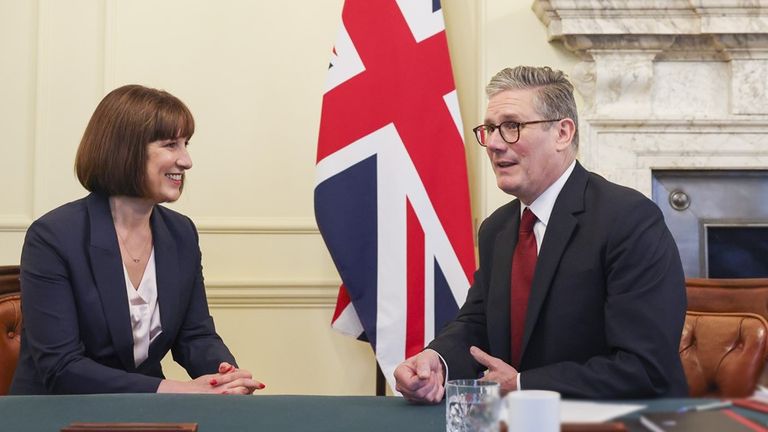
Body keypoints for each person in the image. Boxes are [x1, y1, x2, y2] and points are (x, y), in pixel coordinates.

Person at [393, 66, 688, 402]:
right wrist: (436, 361)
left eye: (511, 127)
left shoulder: (628, 220)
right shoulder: (497, 229)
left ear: (562, 133)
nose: (492, 143)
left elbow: (644, 369)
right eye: (489, 129)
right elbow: (477, 324)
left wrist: (522, 385)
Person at [10, 85, 264, 395]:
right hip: (58, 413)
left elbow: (195, 336)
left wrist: (224, 377)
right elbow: (62, 367)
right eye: (171, 145)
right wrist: (176, 390)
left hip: (145, 411)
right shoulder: (52, 236)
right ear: (124, 150)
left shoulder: (181, 232)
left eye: (186, 144)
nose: (186, 160)